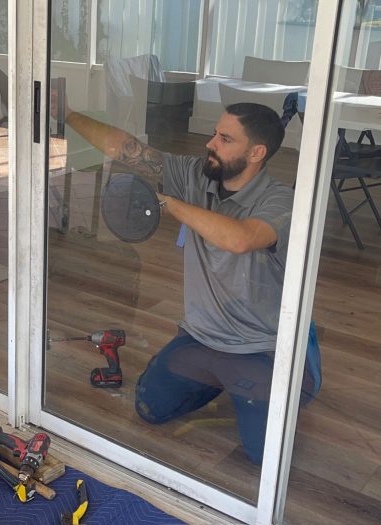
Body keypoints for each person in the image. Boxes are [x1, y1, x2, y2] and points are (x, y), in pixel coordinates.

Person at [55, 97, 320, 464]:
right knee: (151, 407)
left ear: (257, 152)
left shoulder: (282, 201)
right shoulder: (195, 175)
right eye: (214, 134)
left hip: (262, 345)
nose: (210, 143)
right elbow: (125, 148)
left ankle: (296, 372)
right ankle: (222, 379)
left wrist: (166, 203)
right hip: (202, 336)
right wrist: (66, 113)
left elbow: (241, 238)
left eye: (225, 139)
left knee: (265, 454)